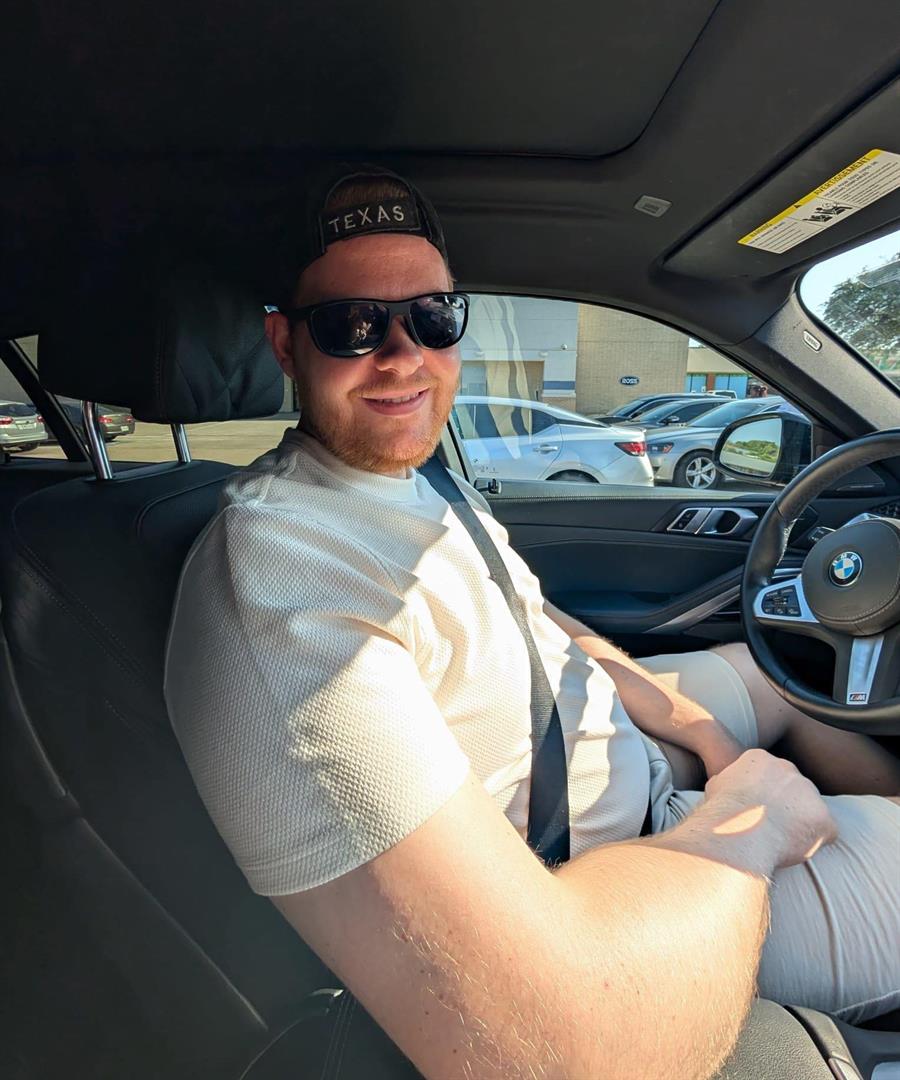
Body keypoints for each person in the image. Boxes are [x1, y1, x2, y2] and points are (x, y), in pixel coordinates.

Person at [165, 166, 900, 1080]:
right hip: (611, 886)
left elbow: (533, 617)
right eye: (351, 324)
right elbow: (562, 1046)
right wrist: (756, 820)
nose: (402, 356)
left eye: (433, 317)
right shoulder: (283, 576)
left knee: (773, 678)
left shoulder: (415, 480)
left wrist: (695, 729)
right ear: (285, 343)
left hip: (624, 774)